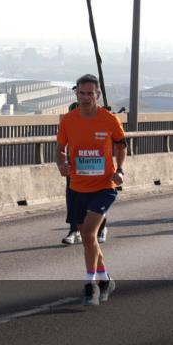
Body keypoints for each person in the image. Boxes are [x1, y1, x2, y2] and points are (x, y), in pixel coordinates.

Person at [56, 74, 126, 306]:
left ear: (97, 95)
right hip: (77, 186)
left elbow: (121, 145)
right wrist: (61, 164)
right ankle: (106, 279)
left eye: (90, 93)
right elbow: (60, 149)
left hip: (105, 186)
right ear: (76, 93)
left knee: (88, 234)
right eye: (82, 93)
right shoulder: (67, 120)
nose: (86, 97)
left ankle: (90, 285)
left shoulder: (109, 119)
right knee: (89, 239)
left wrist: (120, 169)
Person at [61, 95, 109, 245]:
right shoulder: (70, 118)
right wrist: (62, 163)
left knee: (94, 200)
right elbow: (61, 146)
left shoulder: (102, 118)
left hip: (97, 168)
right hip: (76, 168)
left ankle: (101, 227)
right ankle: (73, 230)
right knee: (73, 199)